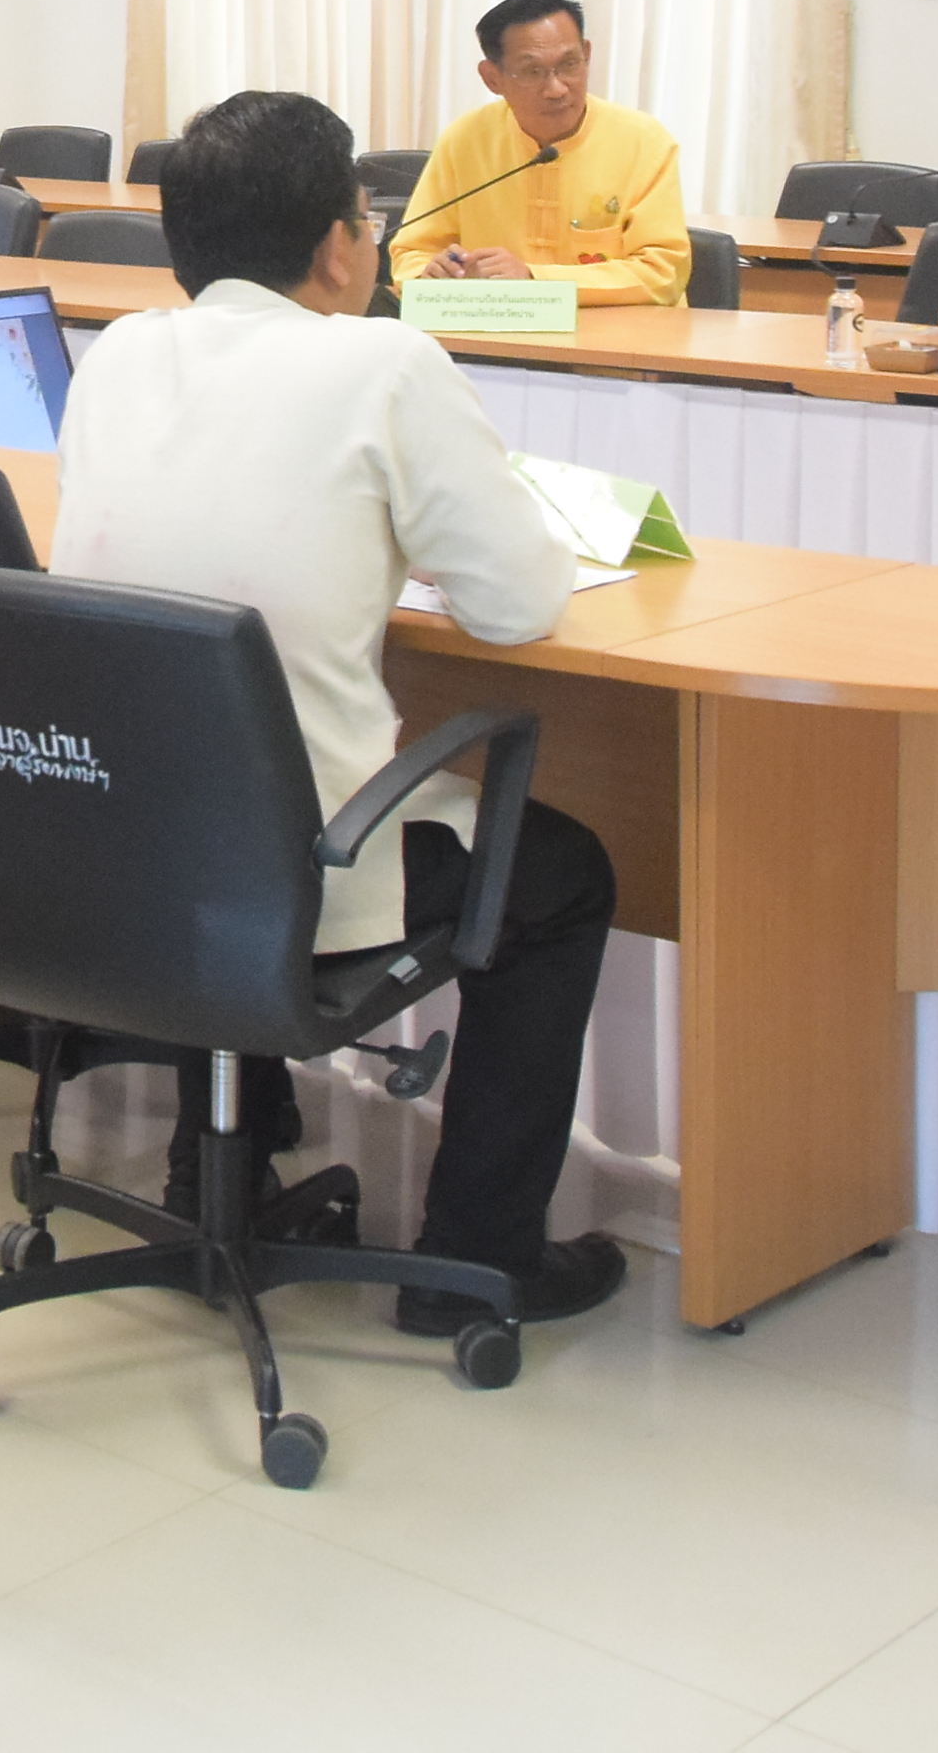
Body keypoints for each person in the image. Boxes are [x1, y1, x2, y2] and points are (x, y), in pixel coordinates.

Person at [51, 86, 628, 1331]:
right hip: (297, 872)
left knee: (223, 765)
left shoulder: (119, 355)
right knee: (560, 875)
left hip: (118, 849)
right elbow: (519, 604)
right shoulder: (383, 361)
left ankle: (218, 1168)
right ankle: (481, 1260)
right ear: (336, 242)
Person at [388, 0, 688, 305]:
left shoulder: (643, 141)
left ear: (587, 55)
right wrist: (431, 273)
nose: (557, 89)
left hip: (621, 341)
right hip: (499, 337)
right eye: (532, 71)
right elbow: (411, 253)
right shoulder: (464, 141)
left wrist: (534, 279)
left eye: (570, 65)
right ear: (492, 78)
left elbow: (663, 271)